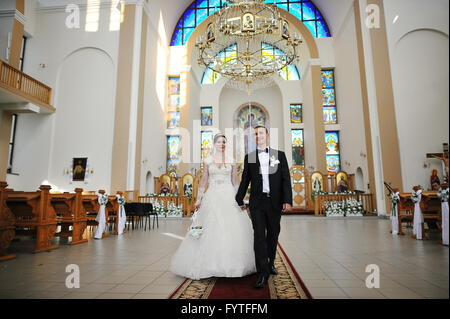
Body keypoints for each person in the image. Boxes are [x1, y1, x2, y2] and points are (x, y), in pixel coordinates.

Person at [170, 133, 256, 280]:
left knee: (232, 228)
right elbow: (204, 179)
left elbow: (235, 180)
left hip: (229, 196)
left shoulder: (231, 160)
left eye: (224, 142)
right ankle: (209, 264)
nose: (222, 144)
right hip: (213, 195)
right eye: (219, 141)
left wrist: (240, 199)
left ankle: (233, 264)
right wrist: (199, 198)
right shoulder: (208, 160)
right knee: (210, 226)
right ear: (214, 144)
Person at [235, 125, 293, 289]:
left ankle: (271, 261)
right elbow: (245, 179)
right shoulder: (250, 157)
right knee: (259, 236)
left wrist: (287, 200)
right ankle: (262, 272)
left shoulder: (278, 155)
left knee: (273, 234)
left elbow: (285, 179)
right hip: (257, 203)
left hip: (274, 201)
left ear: (267, 135)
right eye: (255, 134)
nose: (258, 136)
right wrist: (239, 198)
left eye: (261, 133)